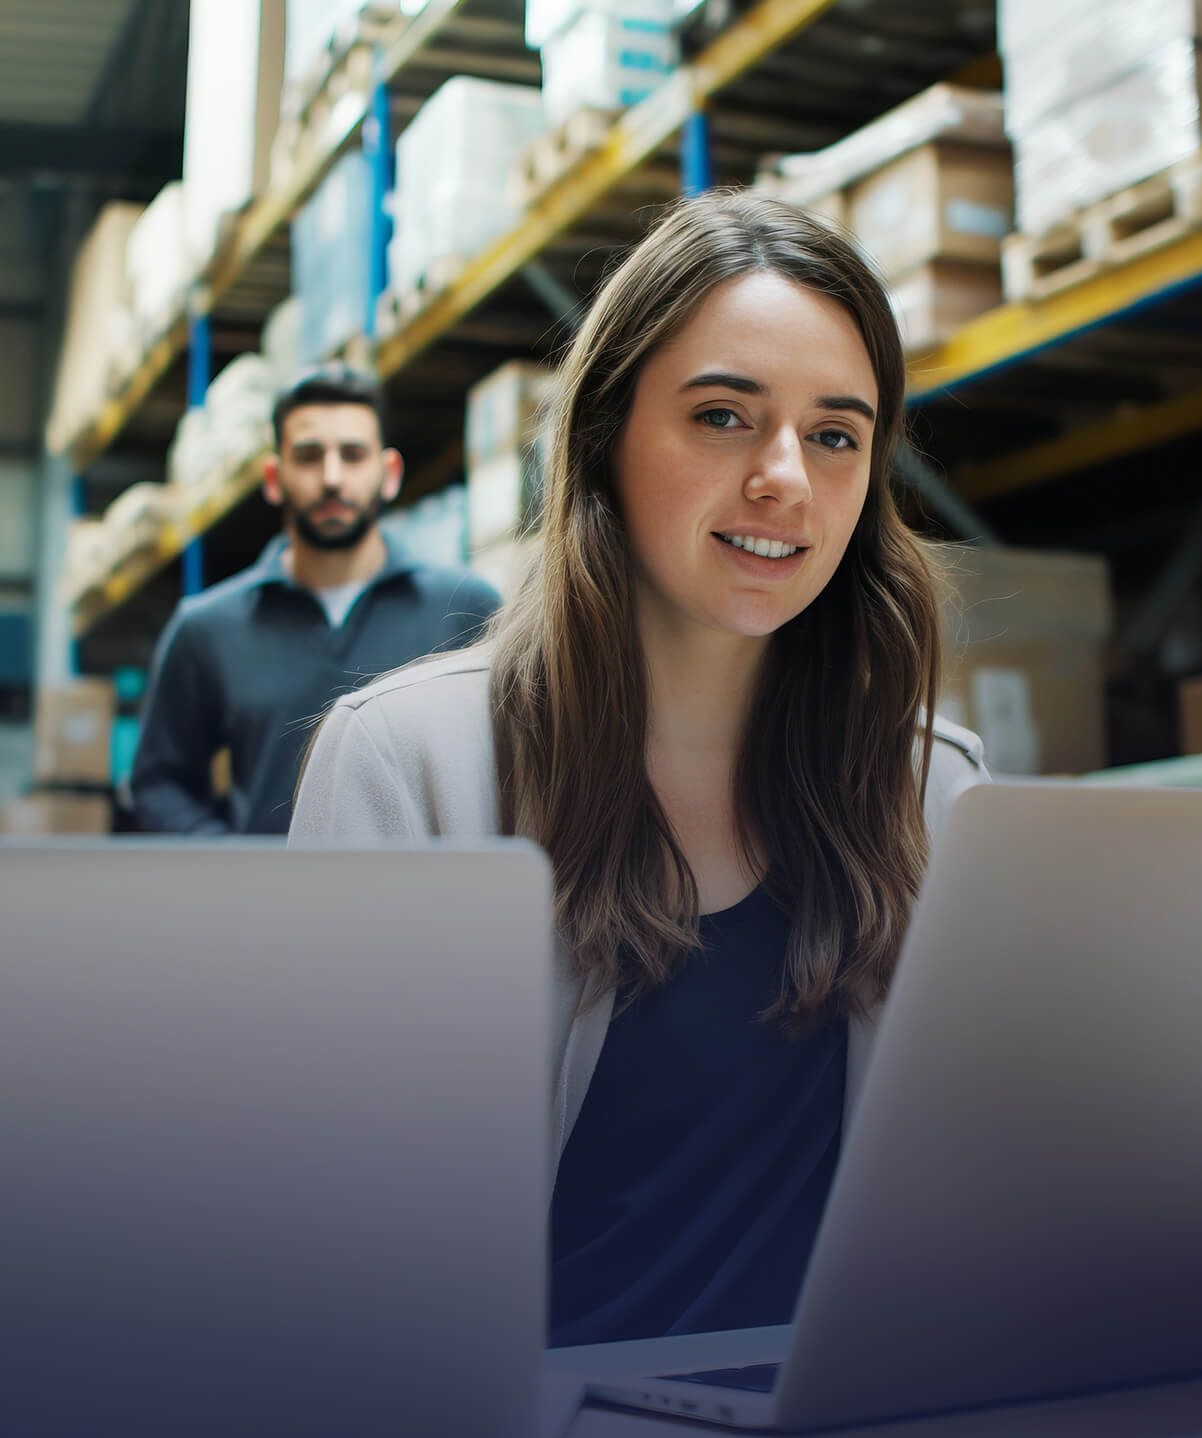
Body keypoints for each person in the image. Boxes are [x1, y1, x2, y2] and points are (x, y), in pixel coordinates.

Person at [289, 193, 990, 1343]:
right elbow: (320, 1241)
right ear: (603, 435)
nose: (784, 479)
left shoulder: (932, 795)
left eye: (834, 435)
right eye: (722, 416)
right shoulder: (406, 765)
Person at [132, 364, 501, 835]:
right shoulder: (207, 628)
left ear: (388, 473)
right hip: (268, 904)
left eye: (352, 455)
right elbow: (159, 783)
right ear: (273, 477)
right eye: (308, 456)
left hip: (421, 902)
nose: (331, 477)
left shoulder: (465, 610)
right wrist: (228, 864)